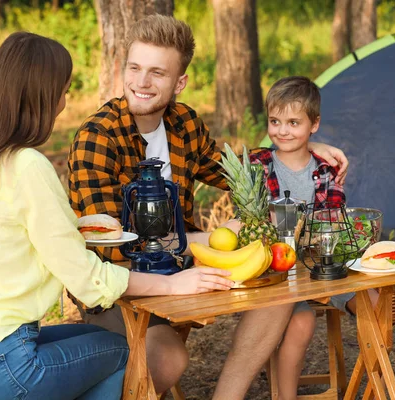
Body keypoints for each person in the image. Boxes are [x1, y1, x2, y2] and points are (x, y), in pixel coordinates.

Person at [0, 32, 234, 400]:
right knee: (137, 354)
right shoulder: (28, 165)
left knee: (104, 342)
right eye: (63, 90)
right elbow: (86, 277)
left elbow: (7, 234)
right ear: (42, 94)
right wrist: (174, 284)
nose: (65, 101)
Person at [67, 15, 350, 399]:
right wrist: (201, 241)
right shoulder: (98, 137)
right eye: (134, 68)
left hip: (185, 266)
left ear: (179, 83)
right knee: (167, 358)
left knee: (276, 292)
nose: (142, 82)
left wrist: (301, 148)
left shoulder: (184, 123)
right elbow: (108, 245)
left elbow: (240, 175)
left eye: (157, 73)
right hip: (119, 283)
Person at [249, 76, 379, 399]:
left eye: (294, 122)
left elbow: (332, 223)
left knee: (376, 304)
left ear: (314, 124)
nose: (282, 131)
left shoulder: (325, 169)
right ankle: (286, 395)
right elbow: (255, 223)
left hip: (323, 265)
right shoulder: (259, 166)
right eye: (275, 121)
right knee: (302, 321)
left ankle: (375, 384)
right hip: (279, 273)